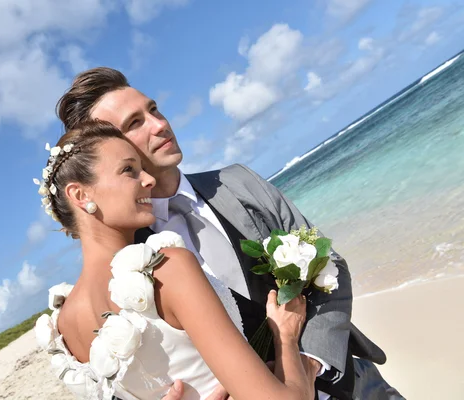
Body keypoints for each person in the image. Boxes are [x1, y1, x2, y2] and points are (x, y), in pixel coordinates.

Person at [46, 67, 403, 400]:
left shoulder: (238, 181)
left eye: (154, 109)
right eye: (135, 123)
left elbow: (328, 265)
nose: (159, 124)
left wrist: (312, 361)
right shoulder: (132, 270)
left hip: (350, 380)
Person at [34, 121, 314, 399]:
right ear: (80, 195)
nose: (149, 180)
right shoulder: (165, 269)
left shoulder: (63, 324)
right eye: (128, 169)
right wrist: (286, 339)